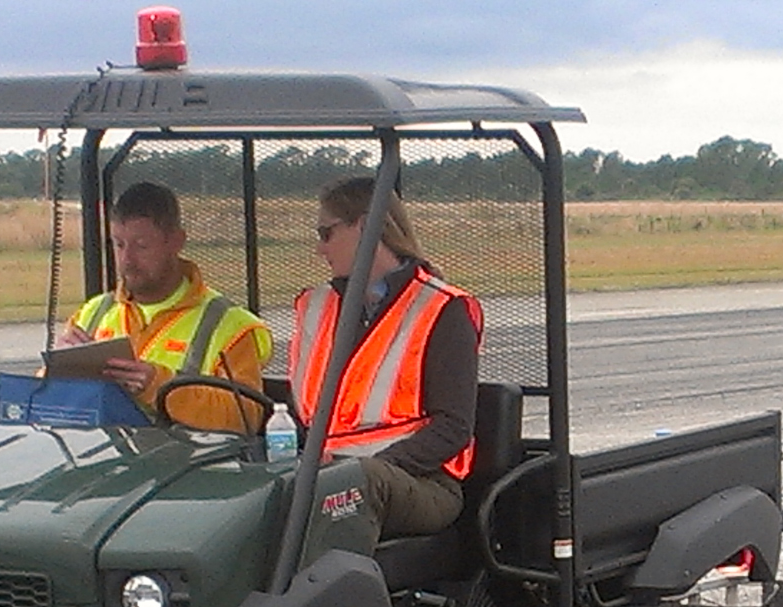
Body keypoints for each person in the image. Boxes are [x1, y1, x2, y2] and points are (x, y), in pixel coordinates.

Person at [287, 177, 479, 540]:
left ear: (365, 225)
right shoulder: (316, 306)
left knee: (353, 489)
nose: (319, 249)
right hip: (325, 473)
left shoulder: (441, 309)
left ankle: (327, 594)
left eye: (325, 233)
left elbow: (453, 428)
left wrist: (361, 469)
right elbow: (300, 414)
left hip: (419, 481)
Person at [56, 181, 273, 431]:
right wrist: (57, 371)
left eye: (141, 245)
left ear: (176, 242)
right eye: (119, 244)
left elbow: (246, 417)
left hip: (190, 467)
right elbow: (45, 403)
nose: (127, 259)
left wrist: (159, 388)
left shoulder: (231, 326)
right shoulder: (92, 313)